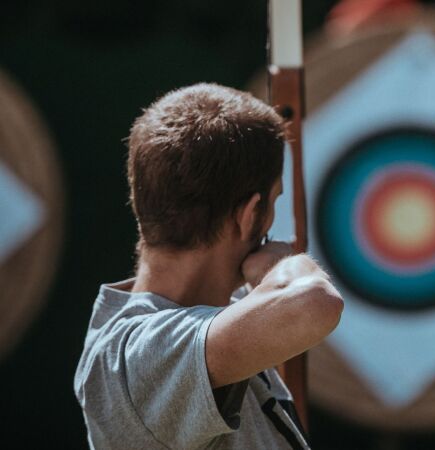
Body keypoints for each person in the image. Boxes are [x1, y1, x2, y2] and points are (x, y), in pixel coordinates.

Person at [74, 83, 344, 450]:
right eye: (274, 200)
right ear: (249, 216)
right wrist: (279, 267)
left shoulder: (217, 322)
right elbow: (314, 303)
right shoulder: (137, 356)